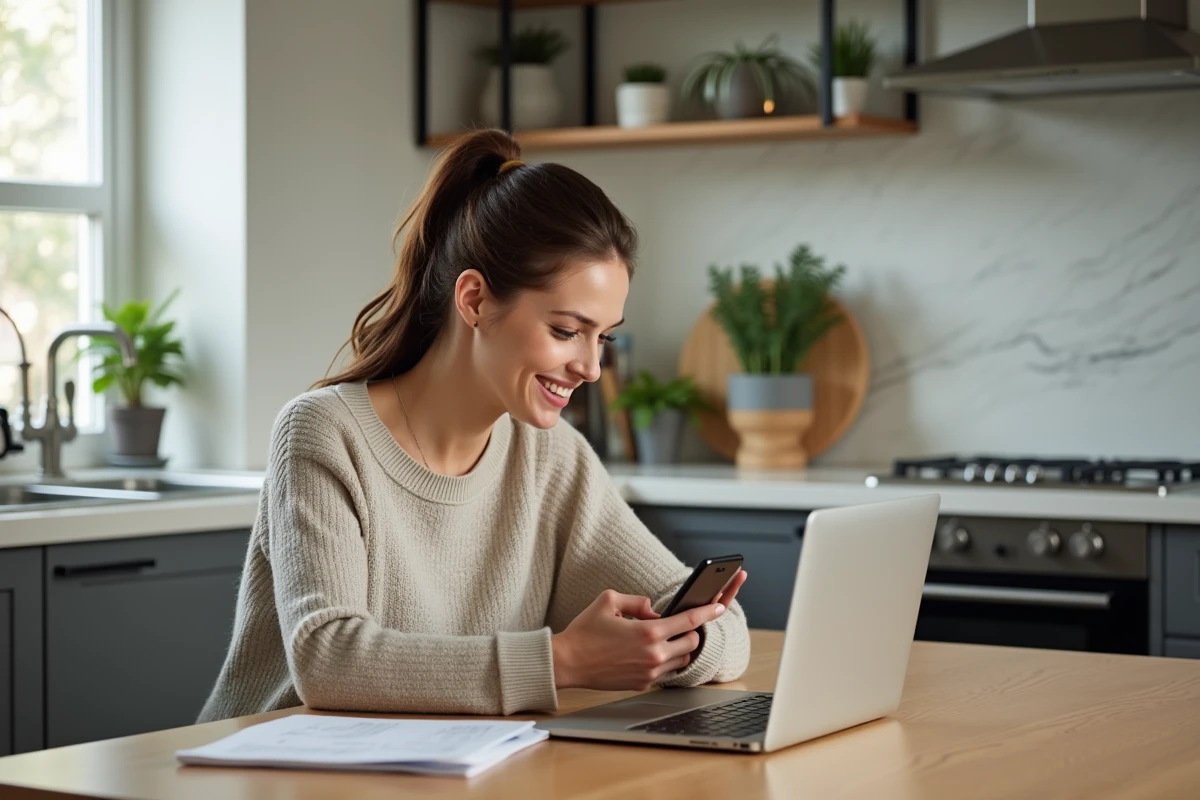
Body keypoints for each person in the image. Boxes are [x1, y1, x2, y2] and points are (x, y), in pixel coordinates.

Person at [198, 129, 750, 722]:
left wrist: (679, 640)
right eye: (566, 331)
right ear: (475, 300)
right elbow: (328, 660)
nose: (591, 367)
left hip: (444, 773)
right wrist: (563, 662)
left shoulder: (550, 455)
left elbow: (726, 627)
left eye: (603, 336)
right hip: (274, 774)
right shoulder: (324, 434)